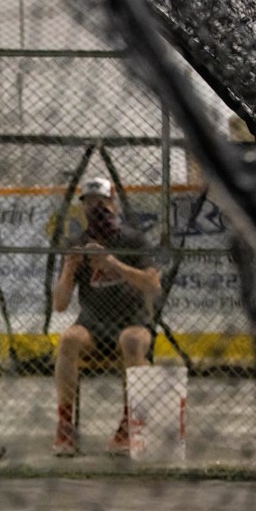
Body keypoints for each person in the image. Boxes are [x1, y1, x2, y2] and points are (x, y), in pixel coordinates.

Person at [50, 177, 161, 456]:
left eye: (101, 202)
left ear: (114, 204)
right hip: (93, 324)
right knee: (69, 340)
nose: (95, 208)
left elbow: (153, 285)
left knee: (132, 342)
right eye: (89, 203)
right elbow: (60, 305)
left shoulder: (133, 240)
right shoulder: (79, 241)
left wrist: (113, 263)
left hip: (132, 320)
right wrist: (69, 268)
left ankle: (130, 423)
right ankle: (65, 424)